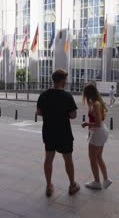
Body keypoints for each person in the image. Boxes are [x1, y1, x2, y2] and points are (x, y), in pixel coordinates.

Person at [37, 69, 80, 197]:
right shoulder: (67, 96)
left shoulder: (44, 95)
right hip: (64, 132)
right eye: (65, 79)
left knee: (48, 158)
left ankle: (49, 186)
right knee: (68, 159)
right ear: (62, 80)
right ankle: (72, 185)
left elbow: (39, 112)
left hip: (49, 131)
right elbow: (73, 115)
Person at [81, 84, 112, 190]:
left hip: (98, 132)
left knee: (92, 159)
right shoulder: (97, 102)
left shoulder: (95, 104)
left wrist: (86, 124)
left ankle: (97, 182)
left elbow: (97, 123)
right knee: (98, 157)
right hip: (102, 131)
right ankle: (106, 179)